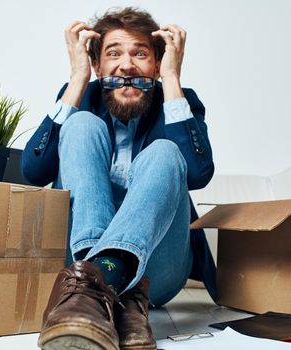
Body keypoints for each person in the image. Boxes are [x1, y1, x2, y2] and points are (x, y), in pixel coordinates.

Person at [22, 7, 216, 350]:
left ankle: (96, 286)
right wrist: (78, 78)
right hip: (79, 257)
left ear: (155, 65)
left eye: (140, 53)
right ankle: (116, 295)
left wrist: (171, 79)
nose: (126, 65)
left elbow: (198, 174)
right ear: (99, 67)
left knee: (165, 152)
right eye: (114, 54)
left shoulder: (176, 101)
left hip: (161, 268)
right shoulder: (82, 97)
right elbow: (33, 171)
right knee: (81, 124)